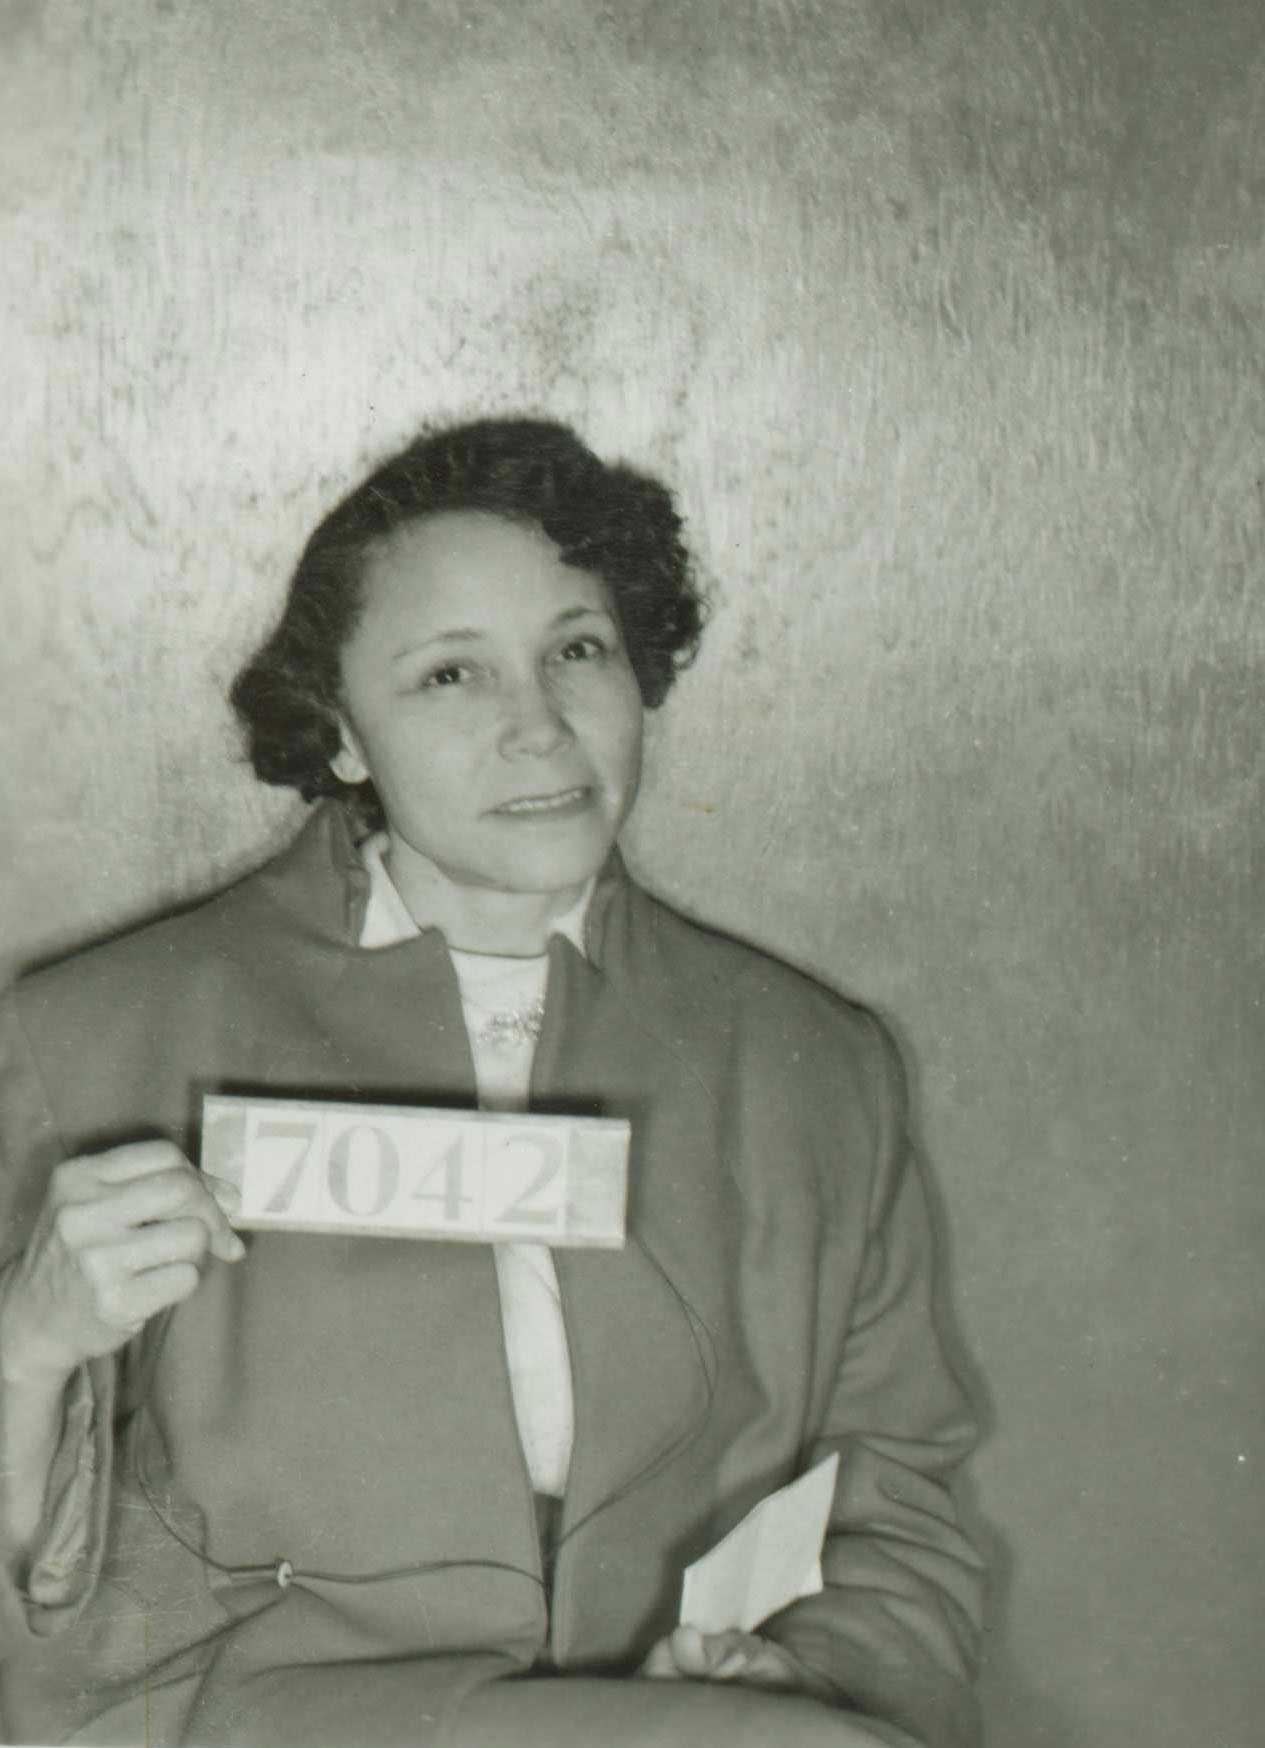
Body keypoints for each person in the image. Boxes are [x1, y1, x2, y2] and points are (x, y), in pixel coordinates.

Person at [0, 419, 984, 1748]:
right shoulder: (91, 1040)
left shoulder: (814, 1069)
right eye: (450, 676)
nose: (538, 729)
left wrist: (801, 1673)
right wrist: (28, 1347)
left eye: (576, 651)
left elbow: (900, 1509)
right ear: (341, 734)